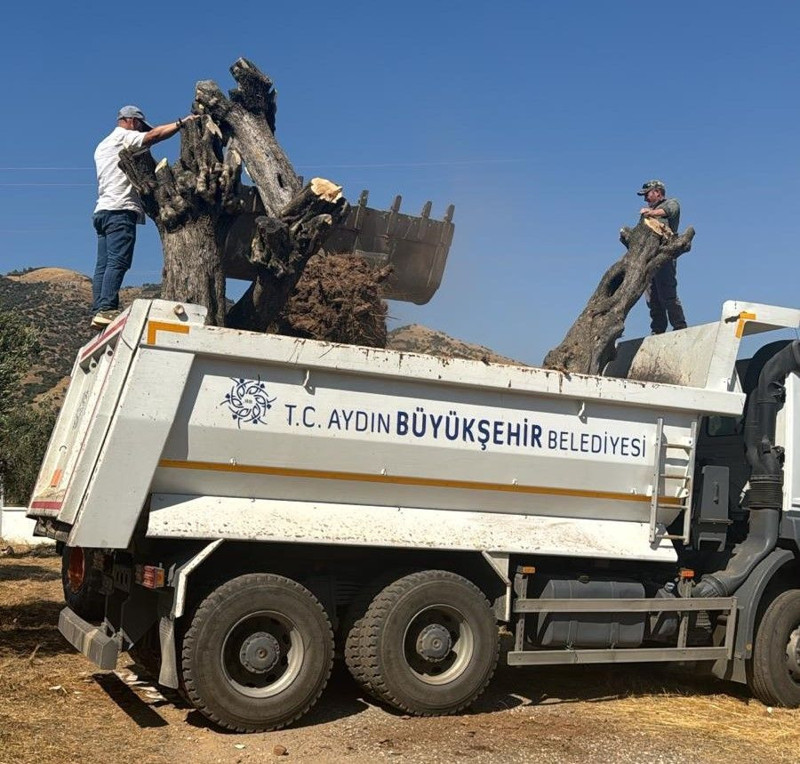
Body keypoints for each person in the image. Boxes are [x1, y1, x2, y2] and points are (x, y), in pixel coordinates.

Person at [91, 105, 198, 330]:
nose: (140, 131)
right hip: (121, 209)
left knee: (103, 265)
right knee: (119, 261)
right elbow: (154, 136)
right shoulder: (124, 138)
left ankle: (98, 309)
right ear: (131, 121)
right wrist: (181, 123)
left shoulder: (102, 146)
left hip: (102, 210)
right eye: (139, 126)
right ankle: (107, 308)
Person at [637, 179, 687, 334]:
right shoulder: (648, 215)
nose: (645, 199)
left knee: (667, 294)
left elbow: (669, 210)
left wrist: (651, 213)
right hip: (649, 258)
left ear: (657, 192)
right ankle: (657, 330)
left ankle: (679, 326)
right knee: (652, 298)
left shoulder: (671, 203)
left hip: (665, 257)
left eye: (647, 194)